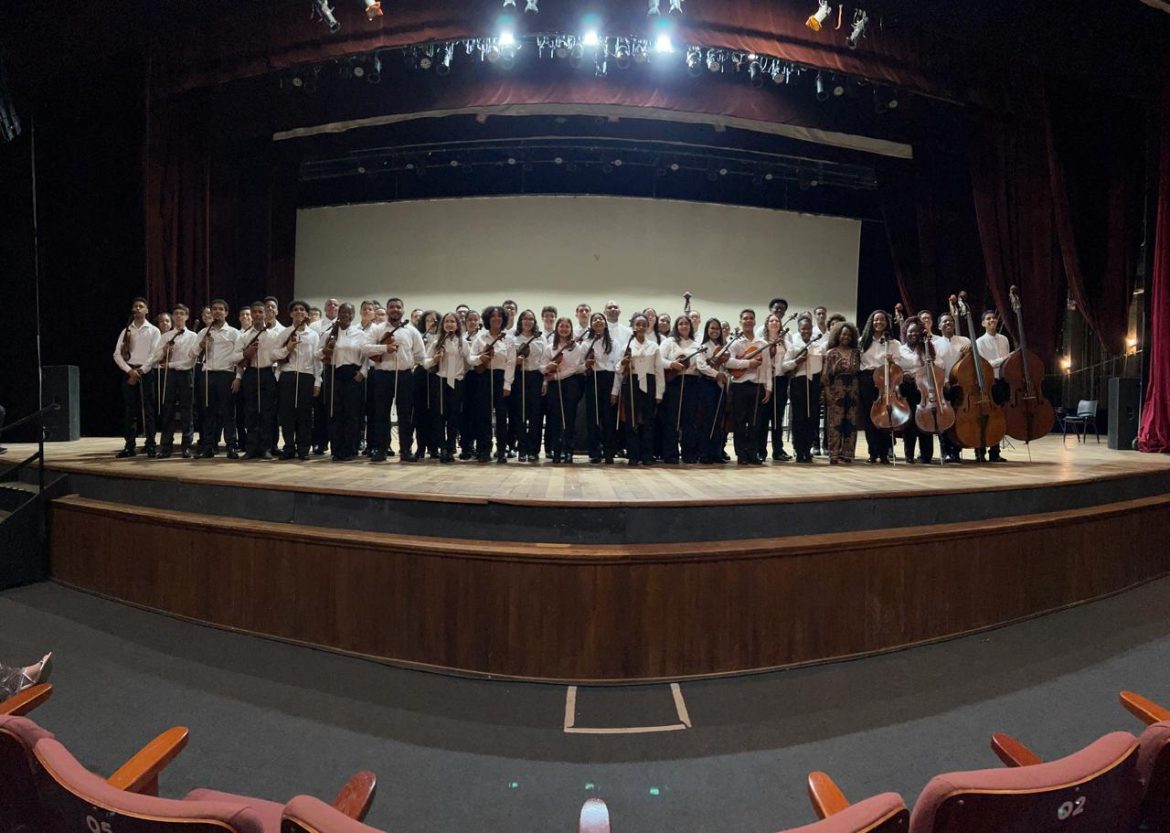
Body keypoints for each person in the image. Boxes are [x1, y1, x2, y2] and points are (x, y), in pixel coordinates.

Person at [363, 297, 425, 462]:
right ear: (387, 310)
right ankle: (381, 449)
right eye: (391, 307)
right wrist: (385, 348)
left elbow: (420, 354)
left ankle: (406, 450)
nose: (395, 310)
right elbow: (365, 348)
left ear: (403, 310)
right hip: (382, 375)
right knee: (381, 413)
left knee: (405, 415)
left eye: (398, 307)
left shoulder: (411, 331)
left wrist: (410, 364)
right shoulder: (378, 329)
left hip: (405, 376)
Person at [232, 301, 282, 460]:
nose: (258, 315)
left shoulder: (274, 335)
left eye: (261, 312)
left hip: (267, 373)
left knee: (267, 412)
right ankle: (251, 448)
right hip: (251, 373)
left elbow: (280, 356)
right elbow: (234, 357)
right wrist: (246, 353)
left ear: (266, 314)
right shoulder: (244, 336)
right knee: (250, 412)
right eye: (255, 312)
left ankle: (266, 448)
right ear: (251, 315)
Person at [318, 303, 367, 461]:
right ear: (338, 314)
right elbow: (317, 354)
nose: (346, 315)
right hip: (334, 374)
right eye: (343, 312)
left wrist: (362, 373)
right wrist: (325, 351)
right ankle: (336, 448)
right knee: (335, 411)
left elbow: (367, 356)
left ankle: (350, 448)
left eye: (349, 312)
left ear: (354, 315)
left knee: (352, 413)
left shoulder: (360, 334)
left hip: (353, 375)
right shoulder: (329, 333)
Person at [272, 300, 321, 460]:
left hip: (306, 376)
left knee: (305, 414)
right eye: (295, 310)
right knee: (287, 414)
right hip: (288, 375)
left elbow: (317, 360)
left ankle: (303, 449)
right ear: (291, 314)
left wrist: (317, 381)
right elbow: (274, 355)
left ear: (307, 314)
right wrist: (288, 348)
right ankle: (288, 447)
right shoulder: (284, 333)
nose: (299, 312)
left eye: (302, 310)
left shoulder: (313, 335)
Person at [113, 297, 161, 458]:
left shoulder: (153, 330)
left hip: (146, 372)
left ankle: (151, 445)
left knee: (149, 410)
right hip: (129, 371)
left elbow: (154, 354)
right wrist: (129, 371)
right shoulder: (126, 330)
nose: (138, 308)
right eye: (135, 306)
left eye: (141, 306)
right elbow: (117, 354)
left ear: (146, 310)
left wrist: (140, 371)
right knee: (130, 410)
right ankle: (129, 445)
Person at [612, 313, 663, 466]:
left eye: (643, 324)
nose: (641, 327)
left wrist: (659, 392)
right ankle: (633, 454)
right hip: (632, 382)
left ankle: (647, 455)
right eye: (638, 324)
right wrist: (623, 363)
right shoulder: (626, 346)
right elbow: (618, 369)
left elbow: (659, 370)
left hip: (649, 382)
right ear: (633, 327)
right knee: (631, 420)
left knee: (648, 421)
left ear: (647, 327)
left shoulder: (654, 346)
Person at [150, 304, 199, 458]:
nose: (178, 316)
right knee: (167, 409)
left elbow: (190, 361)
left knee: (187, 410)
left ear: (187, 317)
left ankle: (187, 446)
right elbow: (156, 357)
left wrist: (170, 364)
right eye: (176, 313)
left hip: (185, 374)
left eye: (182, 313)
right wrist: (164, 351)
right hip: (169, 375)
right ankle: (166, 446)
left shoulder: (193, 336)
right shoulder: (166, 336)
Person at [724, 309, 772, 465]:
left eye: (751, 318)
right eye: (745, 318)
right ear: (740, 321)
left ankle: (752, 453)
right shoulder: (735, 342)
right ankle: (741, 454)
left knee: (755, 422)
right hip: (739, 386)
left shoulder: (762, 344)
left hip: (757, 386)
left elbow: (767, 367)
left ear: (755, 321)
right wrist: (747, 363)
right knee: (739, 421)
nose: (748, 321)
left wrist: (768, 387)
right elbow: (728, 362)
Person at [193, 299, 240, 458]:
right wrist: (201, 345)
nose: (217, 311)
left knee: (228, 413)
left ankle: (231, 446)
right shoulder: (203, 332)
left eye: (221, 309)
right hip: (207, 374)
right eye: (214, 309)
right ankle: (208, 446)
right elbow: (192, 354)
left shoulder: (234, 332)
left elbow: (239, 357)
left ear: (226, 312)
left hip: (226, 374)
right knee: (208, 412)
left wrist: (238, 377)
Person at [469, 305, 515, 463]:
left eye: (499, 316)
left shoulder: (509, 339)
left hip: (501, 378)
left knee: (502, 417)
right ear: (488, 319)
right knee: (484, 416)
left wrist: (507, 384)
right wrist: (480, 358)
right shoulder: (481, 337)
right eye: (493, 316)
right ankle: (484, 449)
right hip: (484, 377)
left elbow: (511, 363)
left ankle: (501, 451)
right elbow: (471, 358)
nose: (496, 319)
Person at [896, 319, 943, 464]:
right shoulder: (900, 350)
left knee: (926, 419)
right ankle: (909, 454)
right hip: (908, 387)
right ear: (905, 332)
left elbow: (940, 364)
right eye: (911, 331)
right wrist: (903, 375)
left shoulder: (927, 348)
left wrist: (930, 362)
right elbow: (896, 368)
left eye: (916, 331)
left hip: (924, 387)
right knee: (909, 422)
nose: (913, 334)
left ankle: (926, 455)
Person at [425, 312, 470, 463]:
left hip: (457, 382)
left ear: (457, 325)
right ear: (442, 325)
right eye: (447, 322)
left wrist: (481, 358)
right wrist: (434, 359)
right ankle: (442, 447)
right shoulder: (436, 342)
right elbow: (425, 363)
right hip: (440, 381)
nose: (449, 324)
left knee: (454, 416)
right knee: (439, 415)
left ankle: (450, 448)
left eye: (452, 321)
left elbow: (470, 360)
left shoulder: (463, 343)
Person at [858, 309, 900, 465]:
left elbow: (898, 365)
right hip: (867, 379)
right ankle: (872, 452)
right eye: (876, 319)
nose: (879, 322)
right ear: (871, 322)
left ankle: (884, 453)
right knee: (870, 417)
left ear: (887, 323)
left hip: (885, 379)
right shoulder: (863, 341)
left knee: (885, 416)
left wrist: (892, 361)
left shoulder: (893, 343)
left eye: (882, 320)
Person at [660, 315, 703, 464]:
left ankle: (689, 454)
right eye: (681, 324)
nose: (684, 326)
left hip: (692, 382)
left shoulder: (697, 344)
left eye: (687, 324)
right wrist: (671, 364)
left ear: (690, 326)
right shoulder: (669, 342)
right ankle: (670, 454)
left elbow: (700, 363)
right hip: (674, 382)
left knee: (689, 420)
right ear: (676, 327)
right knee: (672, 419)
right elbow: (659, 359)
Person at [783, 314, 824, 463]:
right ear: (799, 329)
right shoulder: (793, 345)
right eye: (803, 329)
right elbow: (785, 365)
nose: (806, 331)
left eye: (808, 328)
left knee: (812, 417)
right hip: (799, 383)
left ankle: (808, 449)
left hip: (814, 383)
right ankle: (799, 449)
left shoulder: (817, 344)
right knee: (799, 417)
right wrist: (797, 361)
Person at [544, 316, 584, 463]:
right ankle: (556, 450)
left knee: (569, 418)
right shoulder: (550, 347)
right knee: (555, 418)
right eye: (561, 326)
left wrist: (556, 377)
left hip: (570, 384)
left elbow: (574, 368)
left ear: (571, 329)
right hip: (554, 386)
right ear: (557, 328)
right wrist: (548, 368)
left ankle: (568, 451)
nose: (564, 329)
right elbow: (542, 367)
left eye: (567, 326)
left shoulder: (576, 347)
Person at [822, 322, 862, 464]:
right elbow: (825, 377)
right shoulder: (831, 353)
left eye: (849, 335)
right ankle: (834, 453)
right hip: (836, 391)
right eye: (843, 334)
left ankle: (848, 453)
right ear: (837, 335)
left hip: (853, 391)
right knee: (835, 423)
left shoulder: (856, 353)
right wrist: (827, 394)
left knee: (851, 423)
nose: (846, 337)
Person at [581, 312, 618, 464]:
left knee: (609, 418)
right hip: (592, 378)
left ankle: (609, 451)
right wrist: (587, 364)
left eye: (600, 319)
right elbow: (580, 364)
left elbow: (617, 366)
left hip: (609, 379)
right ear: (591, 324)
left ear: (605, 323)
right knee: (593, 417)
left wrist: (615, 390)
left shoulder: (614, 343)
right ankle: (595, 452)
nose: (598, 321)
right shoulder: (586, 343)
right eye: (595, 319)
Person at [510, 310, 546, 462]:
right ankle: (522, 449)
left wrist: (545, 381)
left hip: (536, 377)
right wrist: (516, 360)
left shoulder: (540, 338)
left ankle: (534, 450)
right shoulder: (513, 338)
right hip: (519, 376)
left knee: (536, 414)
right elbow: (508, 360)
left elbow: (545, 360)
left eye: (531, 319)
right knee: (520, 414)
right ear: (520, 321)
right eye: (525, 318)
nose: (528, 321)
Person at [976, 309, 1011, 463]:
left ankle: (995, 452)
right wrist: (1003, 359)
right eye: (988, 319)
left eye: (994, 318)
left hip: (1001, 381)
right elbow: (985, 364)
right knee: (984, 417)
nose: (992, 320)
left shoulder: (1004, 339)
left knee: (998, 417)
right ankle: (980, 451)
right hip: (987, 383)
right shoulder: (979, 342)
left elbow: (1007, 363)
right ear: (983, 323)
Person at [757, 312, 793, 462]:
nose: (774, 323)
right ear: (767, 324)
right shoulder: (762, 341)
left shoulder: (785, 342)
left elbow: (789, 359)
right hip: (766, 381)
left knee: (778, 417)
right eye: (771, 321)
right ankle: (761, 450)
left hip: (781, 380)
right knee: (763, 418)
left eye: (777, 321)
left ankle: (778, 450)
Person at [698, 317, 731, 464]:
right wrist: (716, 374)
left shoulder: (724, 347)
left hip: (721, 386)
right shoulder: (703, 346)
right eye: (712, 328)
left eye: (717, 328)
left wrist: (725, 375)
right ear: (707, 330)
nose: (715, 331)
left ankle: (716, 453)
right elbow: (701, 365)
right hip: (707, 385)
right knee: (707, 420)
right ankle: (704, 453)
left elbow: (728, 367)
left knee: (719, 420)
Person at [938, 312, 970, 462]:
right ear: (939, 326)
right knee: (945, 418)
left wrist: (968, 353)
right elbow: (937, 367)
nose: (948, 323)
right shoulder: (935, 344)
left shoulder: (965, 341)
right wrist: (945, 382)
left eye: (950, 321)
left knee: (958, 418)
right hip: (944, 385)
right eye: (944, 322)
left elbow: (970, 363)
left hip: (962, 385)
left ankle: (956, 450)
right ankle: (945, 450)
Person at [413, 310, 440, 459]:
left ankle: (434, 447)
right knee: (420, 413)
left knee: (436, 413)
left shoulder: (443, 337)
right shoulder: (419, 336)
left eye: (435, 320)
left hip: (437, 375)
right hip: (421, 375)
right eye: (428, 320)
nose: (432, 323)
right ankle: (421, 447)